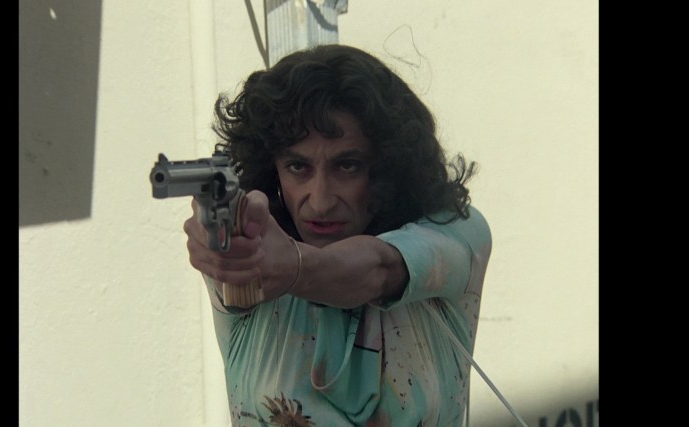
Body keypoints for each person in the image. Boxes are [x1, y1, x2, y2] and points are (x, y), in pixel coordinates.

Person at [183, 44, 491, 427]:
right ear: (272, 170)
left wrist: (295, 268)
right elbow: (224, 248)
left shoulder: (456, 232)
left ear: (389, 167)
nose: (321, 201)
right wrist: (221, 242)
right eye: (298, 167)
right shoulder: (252, 255)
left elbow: (379, 269)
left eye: (347, 166)